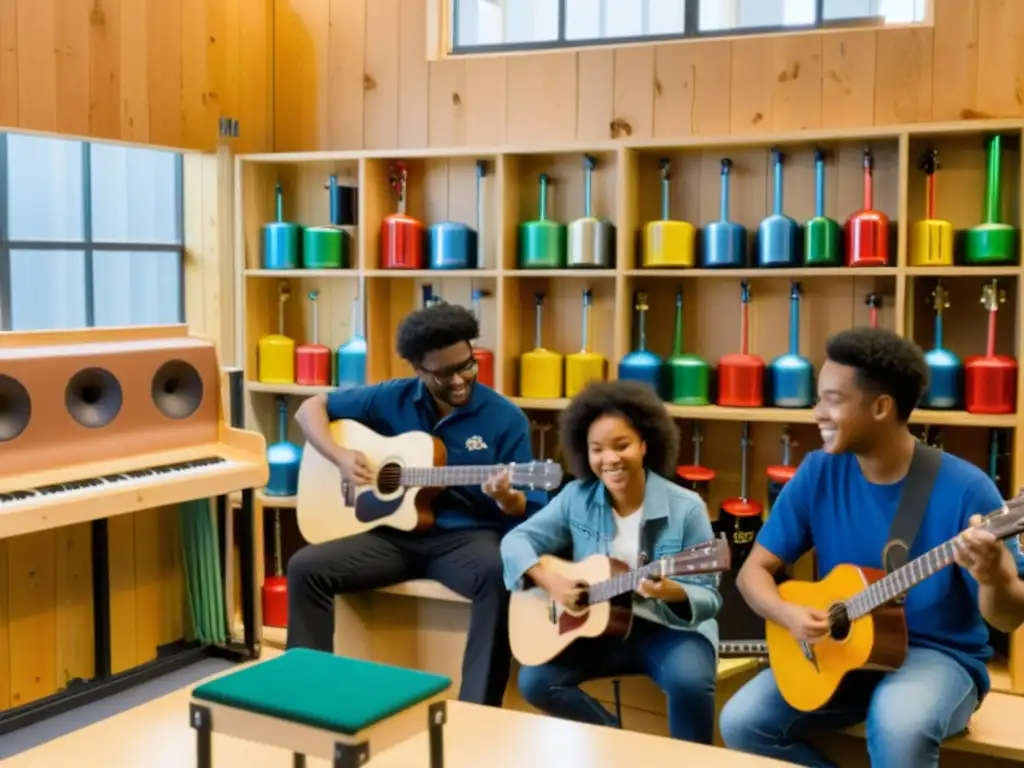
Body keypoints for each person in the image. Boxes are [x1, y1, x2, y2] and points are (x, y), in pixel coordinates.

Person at [719, 327, 1024, 767]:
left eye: (832, 400)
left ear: (881, 407)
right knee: (743, 722)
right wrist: (787, 613)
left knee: (898, 723)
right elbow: (753, 573)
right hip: (841, 652)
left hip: (938, 657)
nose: (816, 413)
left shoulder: (967, 489)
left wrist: (994, 575)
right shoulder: (818, 471)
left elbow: (1010, 616)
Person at [287, 302, 546, 707]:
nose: (461, 380)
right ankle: (306, 694)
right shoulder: (392, 397)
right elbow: (310, 409)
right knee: (305, 567)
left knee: (499, 574)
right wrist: (338, 455)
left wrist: (507, 497)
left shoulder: (505, 418)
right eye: (445, 373)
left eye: (468, 365)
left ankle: (479, 711)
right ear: (419, 371)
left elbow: (529, 509)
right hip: (392, 537)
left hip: (466, 540)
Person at [500, 380, 722, 744]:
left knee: (691, 682)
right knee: (535, 681)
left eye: (622, 446)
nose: (611, 459)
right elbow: (516, 540)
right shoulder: (576, 497)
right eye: (597, 449)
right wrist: (551, 582)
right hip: (602, 627)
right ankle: (614, 743)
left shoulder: (687, 507)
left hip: (667, 630)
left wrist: (671, 592)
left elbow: (710, 598)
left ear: (645, 445)